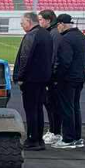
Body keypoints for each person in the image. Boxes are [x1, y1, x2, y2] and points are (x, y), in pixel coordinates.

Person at [12, 11, 54, 150]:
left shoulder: (31, 35)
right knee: (38, 109)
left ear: (29, 22)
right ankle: (38, 139)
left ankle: (32, 140)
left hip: (31, 79)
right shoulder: (46, 34)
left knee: (31, 110)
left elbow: (25, 57)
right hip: (43, 78)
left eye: (22, 23)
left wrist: (20, 76)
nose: (22, 26)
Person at [52, 14, 85, 149]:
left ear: (62, 24)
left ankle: (68, 139)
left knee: (67, 108)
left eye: (58, 25)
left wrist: (57, 78)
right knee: (75, 107)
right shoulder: (82, 37)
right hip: (79, 77)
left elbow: (64, 62)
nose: (57, 28)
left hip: (67, 79)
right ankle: (77, 137)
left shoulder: (66, 39)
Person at [38, 9, 63, 144]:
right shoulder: (52, 33)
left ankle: (55, 132)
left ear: (48, 20)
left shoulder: (53, 35)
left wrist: (50, 76)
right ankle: (54, 130)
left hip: (53, 78)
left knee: (52, 105)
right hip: (52, 76)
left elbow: (53, 58)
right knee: (50, 105)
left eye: (41, 19)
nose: (39, 22)